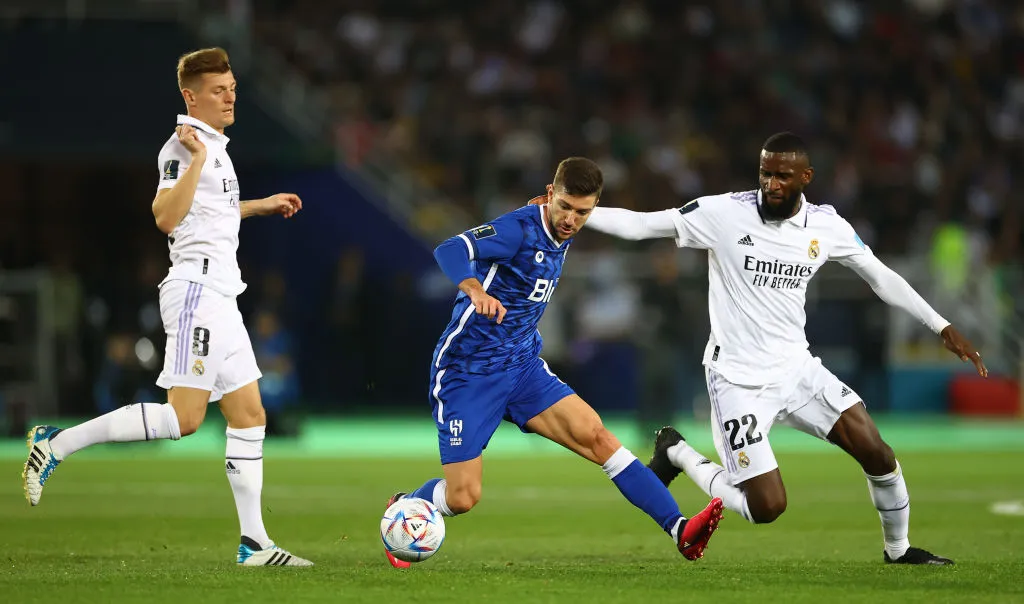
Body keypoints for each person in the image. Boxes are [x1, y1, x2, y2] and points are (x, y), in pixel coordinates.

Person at [578, 132, 986, 565]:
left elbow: (880, 276)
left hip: (797, 370)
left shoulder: (827, 226)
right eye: (765, 173)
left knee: (878, 452)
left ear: (805, 178)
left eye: (782, 176)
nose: (771, 184)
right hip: (736, 379)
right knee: (765, 507)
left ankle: (898, 550)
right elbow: (643, 224)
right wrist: (575, 211)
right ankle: (675, 451)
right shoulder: (723, 213)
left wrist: (940, 325)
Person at [22, 48, 312, 568]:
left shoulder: (215, 147)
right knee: (184, 419)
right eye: (219, 90)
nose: (230, 97)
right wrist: (196, 159)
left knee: (249, 414)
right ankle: (57, 441)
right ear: (190, 96)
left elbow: (208, 210)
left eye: (232, 89)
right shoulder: (184, 149)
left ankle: (254, 544)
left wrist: (259, 206)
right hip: (197, 293)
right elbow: (165, 216)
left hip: (222, 293)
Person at [384, 157, 724, 570]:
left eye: (582, 212)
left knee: (599, 438)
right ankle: (409, 505)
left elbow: (599, 222)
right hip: (467, 373)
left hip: (523, 367)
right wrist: (474, 288)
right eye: (564, 206)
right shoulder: (518, 230)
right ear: (550, 194)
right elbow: (450, 248)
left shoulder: (567, 225)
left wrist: (563, 212)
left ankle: (681, 531)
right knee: (463, 498)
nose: (571, 219)